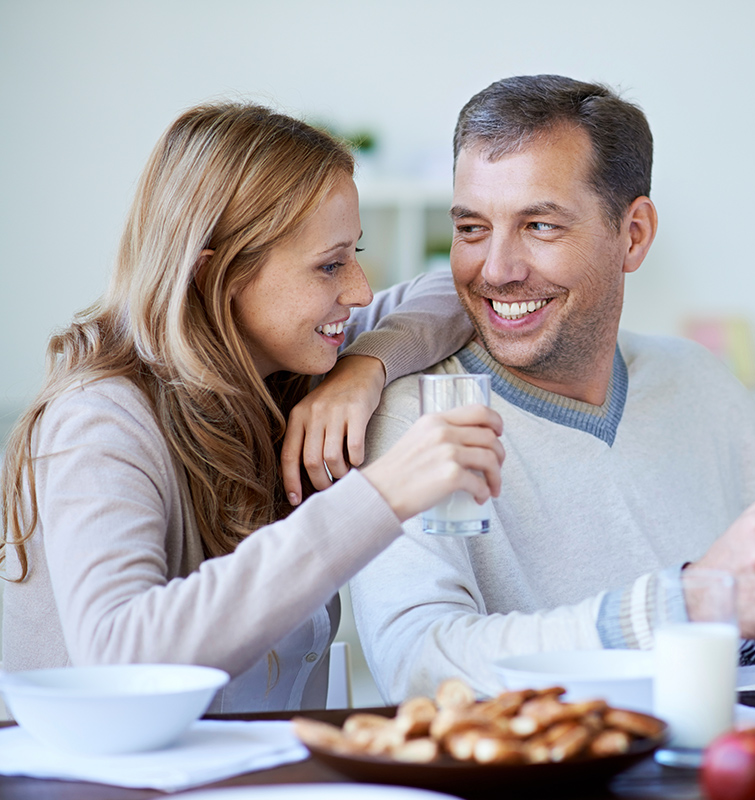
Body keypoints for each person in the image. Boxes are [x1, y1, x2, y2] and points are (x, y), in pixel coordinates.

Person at [0, 101, 505, 711]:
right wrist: (381, 496)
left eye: (356, 255)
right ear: (217, 276)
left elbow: (454, 292)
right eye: (329, 265)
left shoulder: (297, 359)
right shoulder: (100, 421)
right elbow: (118, 652)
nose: (359, 291)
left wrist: (364, 369)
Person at [343, 75, 755, 703]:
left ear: (633, 234)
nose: (497, 270)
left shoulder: (701, 383)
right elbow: (420, 662)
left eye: (540, 225)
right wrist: (685, 604)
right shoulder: (415, 417)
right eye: (472, 228)